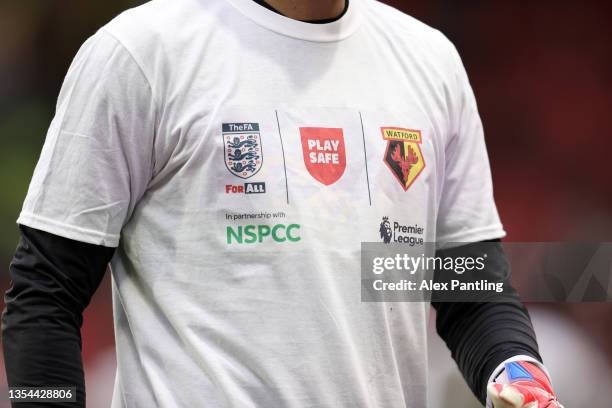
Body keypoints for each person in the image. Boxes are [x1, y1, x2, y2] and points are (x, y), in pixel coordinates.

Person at [2, 0, 563, 407]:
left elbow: (470, 288)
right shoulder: (142, 52)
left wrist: (514, 371)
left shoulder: (429, 61)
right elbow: (45, 293)